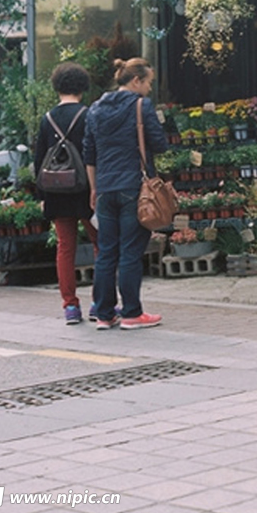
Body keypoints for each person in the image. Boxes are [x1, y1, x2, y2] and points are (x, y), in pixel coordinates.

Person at [84, 57, 169, 330]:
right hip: (134, 187)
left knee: (106, 252)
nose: (149, 89)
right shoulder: (141, 106)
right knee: (131, 252)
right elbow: (160, 144)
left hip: (105, 189)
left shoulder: (94, 109)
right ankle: (132, 312)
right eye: (148, 83)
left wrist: (94, 188)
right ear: (136, 81)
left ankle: (104, 313)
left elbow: (89, 153)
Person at [33, 61, 98, 325]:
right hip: (85, 190)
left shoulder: (47, 119)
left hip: (57, 191)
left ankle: (70, 306)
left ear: (57, 87)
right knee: (100, 245)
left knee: (65, 248)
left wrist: (42, 196)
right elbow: (94, 154)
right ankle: (100, 303)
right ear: (82, 87)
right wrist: (97, 189)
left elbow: (39, 161)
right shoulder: (88, 115)